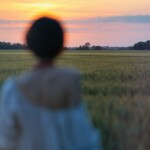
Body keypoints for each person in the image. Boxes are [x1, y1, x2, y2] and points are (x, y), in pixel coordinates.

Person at [0, 16, 101, 150]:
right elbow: (85, 141)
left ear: (29, 45)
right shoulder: (71, 83)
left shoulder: (12, 90)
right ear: (60, 47)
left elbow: (6, 142)